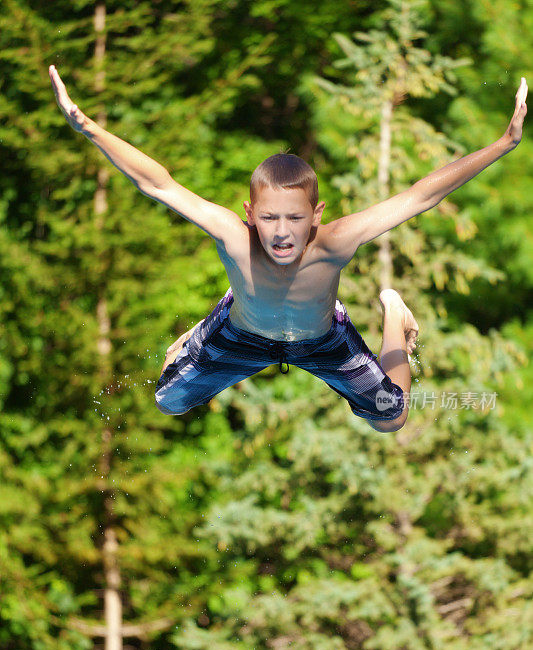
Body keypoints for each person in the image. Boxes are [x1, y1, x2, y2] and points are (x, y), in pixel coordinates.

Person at [49, 65, 528, 432]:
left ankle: (394, 315)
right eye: (270, 218)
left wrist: (503, 143)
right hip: (243, 335)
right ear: (250, 213)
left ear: (316, 216)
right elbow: (159, 185)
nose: (281, 232)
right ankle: (218, 314)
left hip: (322, 340)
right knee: (168, 400)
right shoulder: (233, 236)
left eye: (295, 219)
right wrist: (88, 126)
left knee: (391, 416)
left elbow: (421, 195)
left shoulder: (337, 240)